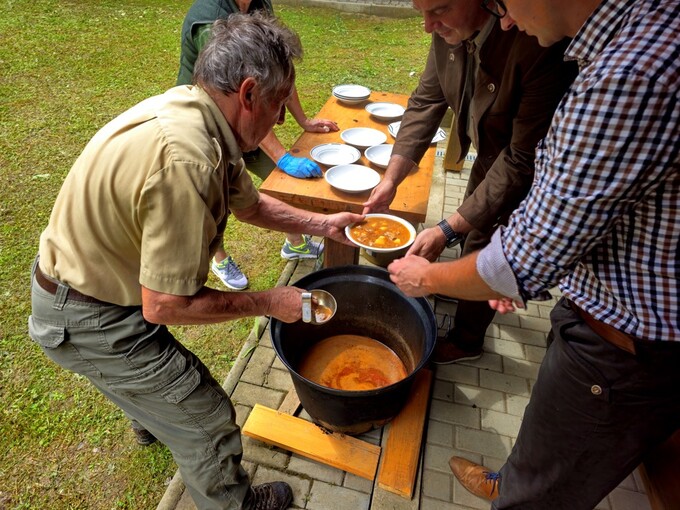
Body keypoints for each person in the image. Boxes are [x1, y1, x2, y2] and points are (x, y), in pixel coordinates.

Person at [28, 13, 362, 509]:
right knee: (207, 420)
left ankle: (153, 418)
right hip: (86, 314)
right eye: (277, 106)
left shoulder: (200, 114)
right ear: (248, 93)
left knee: (166, 391)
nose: (281, 121)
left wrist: (321, 224)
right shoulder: (188, 158)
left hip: (99, 287)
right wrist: (272, 301)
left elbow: (249, 205)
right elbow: (164, 305)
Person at [388, 0, 680, 508]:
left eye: (502, 2)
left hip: (626, 343)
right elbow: (558, 227)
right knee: (549, 434)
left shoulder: (629, 76)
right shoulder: (639, 33)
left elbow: (526, 250)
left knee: (542, 493)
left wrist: (431, 277)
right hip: (601, 307)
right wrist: (512, 268)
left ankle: (521, 490)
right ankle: (518, 475)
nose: (503, 18)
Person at [362, 0, 576, 364]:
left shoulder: (535, 41)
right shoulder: (448, 30)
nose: (429, 26)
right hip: (491, 151)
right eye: (422, 13)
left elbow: (522, 160)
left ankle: (467, 340)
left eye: (439, 10)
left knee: (484, 238)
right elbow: (425, 101)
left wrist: (445, 230)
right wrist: (391, 178)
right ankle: (462, 285)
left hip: (527, 165)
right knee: (474, 230)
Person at [178, 0, 339, 291]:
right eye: (276, 109)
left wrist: (303, 121)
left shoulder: (260, 4)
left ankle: (294, 243)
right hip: (208, 122)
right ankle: (219, 257)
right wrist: (281, 156)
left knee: (282, 186)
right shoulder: (210, 17)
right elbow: (235, 96)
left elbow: (276, 73)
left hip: (238, 118)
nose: (280, 119)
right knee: (215, 198)